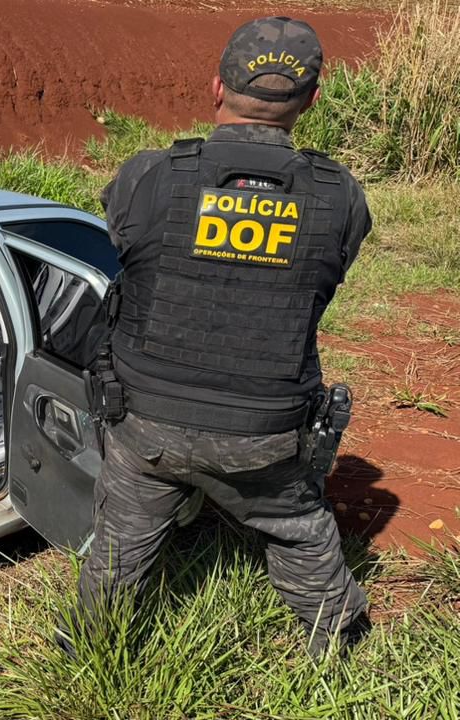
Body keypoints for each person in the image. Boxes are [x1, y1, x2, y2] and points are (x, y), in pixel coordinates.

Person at [63, 16, 373, 659]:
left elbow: (123, 244)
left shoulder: (148, 176)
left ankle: (89, 656)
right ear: (310, 101)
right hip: (263, 434)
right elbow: (324, 276)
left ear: (215, 87)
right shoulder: (338, 196)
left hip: (145, 421)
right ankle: (339, 656)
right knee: (296, 531)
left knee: (120, 538)